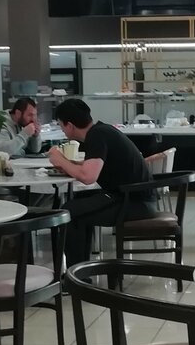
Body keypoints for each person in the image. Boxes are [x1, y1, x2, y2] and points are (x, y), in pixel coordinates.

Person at [49, 97, 155, 265]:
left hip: (134, 202)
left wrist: (60, 160)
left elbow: (88, 177)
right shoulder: (101, 131)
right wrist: (70, 164)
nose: (62, 130)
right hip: (133, 197)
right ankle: (81, 270)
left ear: (69, 125)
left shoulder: (96, 136)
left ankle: (76, 273)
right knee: (78, 203)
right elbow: (92, 166)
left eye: (61, 125)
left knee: (70, 211)